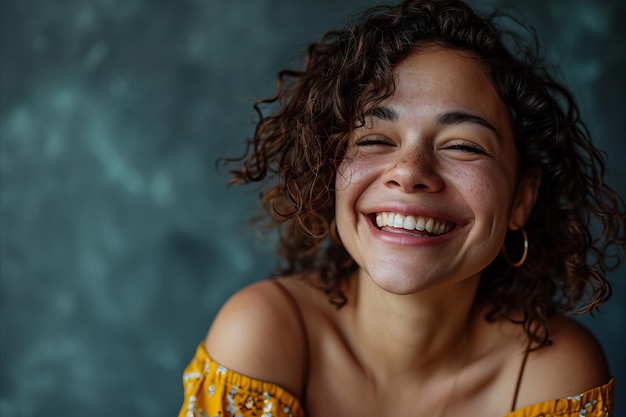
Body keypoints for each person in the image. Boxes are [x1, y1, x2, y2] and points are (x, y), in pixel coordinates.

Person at [178, 0, 625, 416]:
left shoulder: (553, 372)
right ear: (328, 173)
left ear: (521, 199)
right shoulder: (264, 333)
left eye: (464, 145)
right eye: (375, 139)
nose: (409, 172)